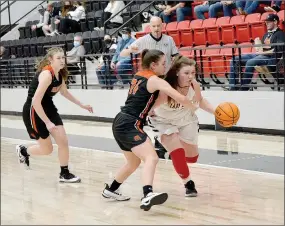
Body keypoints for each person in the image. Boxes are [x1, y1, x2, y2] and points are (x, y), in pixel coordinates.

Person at [102, 49, 199, 211]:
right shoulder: (154, 80)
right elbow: (180, 97)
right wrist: (193, 106)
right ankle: (147, 194)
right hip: (130, 123)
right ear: (153, 65)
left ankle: (110, 189)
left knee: (133, 163)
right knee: (151, 158)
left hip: (121, 121)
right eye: (162, 63)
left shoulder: (139, 74)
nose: (165, 66)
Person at [16, 47, 93, 183]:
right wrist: (48, 122)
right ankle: (24, 151)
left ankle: (64, 173)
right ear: (50, 59)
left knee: (63, 141)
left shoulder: (60, 74)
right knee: (47, 150)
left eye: (63, 57)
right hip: (33, 110)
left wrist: (82, 105)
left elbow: (64, 92)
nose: (62, 60)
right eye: (59, 58)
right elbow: (35, 101)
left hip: (48, 107)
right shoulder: (46, 75)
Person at [147, 55, 215, 197]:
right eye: (186, 73)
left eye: (193, 73)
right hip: (163, 121)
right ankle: (188, 184)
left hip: (185, 119)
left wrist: (216, 112)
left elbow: (200, 101)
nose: (190, 76)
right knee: (177, 150)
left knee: (192, 158)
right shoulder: (166, 88)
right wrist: (145, 113)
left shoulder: (194, 85)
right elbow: (148, 107)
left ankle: (173, 153)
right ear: (177, 72)